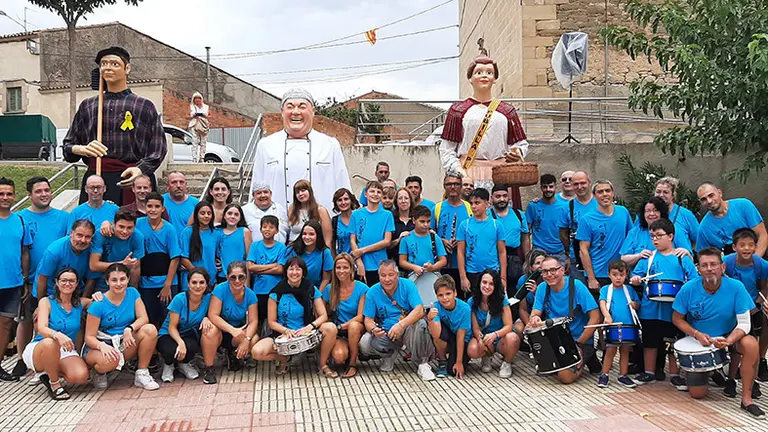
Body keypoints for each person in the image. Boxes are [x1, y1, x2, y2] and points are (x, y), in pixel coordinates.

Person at [63, 46, 166, 206]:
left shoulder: (144, 106)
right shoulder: (89, 106)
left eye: (115, 64)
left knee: (134, 227)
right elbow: (68, 147)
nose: (108, 67)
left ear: (127, 68)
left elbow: (158, 149)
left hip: (134, 178)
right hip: (97, 178)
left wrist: (140, 170)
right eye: (104, 63)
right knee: (94, 227)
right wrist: (83, 149)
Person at [672, 247, 765, 419]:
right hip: (700, 341)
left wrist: (729, 341)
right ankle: (712, 372)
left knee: (751, 344)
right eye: (704, 265)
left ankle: (747, 399)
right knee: (698, 394)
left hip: (728, 334)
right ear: (698, 269)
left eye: (713, 264)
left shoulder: (737, 287)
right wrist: (696, 334)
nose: (709, 269)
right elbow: (677, 319)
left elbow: (745, 323)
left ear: (722, 267)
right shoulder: (688, 288)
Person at [440, 56, 529, 208]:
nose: (484, 76)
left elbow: (520, 143)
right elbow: (446, 148)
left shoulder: (507, 111)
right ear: (470, 78)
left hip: (500, 173)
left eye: (489, 72)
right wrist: (460, 171)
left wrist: (517, 153)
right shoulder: (458, 110)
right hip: (468, 173)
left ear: (495, 78)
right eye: (478, 72)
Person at [250, 88, 351, 210]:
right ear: (282, 112)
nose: (296, 112)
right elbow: (256, 187)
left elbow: (343, 186)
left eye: (302, 107)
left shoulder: (330, 145)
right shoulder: (266, 145)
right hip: (276, 223)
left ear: (313, 111)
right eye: (290, 107)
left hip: (322, 222)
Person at [629, 219, 698, 388]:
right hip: (650, 308)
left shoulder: (681, 258)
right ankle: (649, 372)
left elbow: (695, 280)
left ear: (671, 236)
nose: (655, 240)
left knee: (673, 343)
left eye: (659, 236)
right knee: (650, 341)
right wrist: (636, 280)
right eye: (652, 236)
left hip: (674, 309)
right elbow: (634, 277)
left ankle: (675, 374)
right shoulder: (648, 258)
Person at [14, 176, 70, 377]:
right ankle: (22, 359)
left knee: (47, 322)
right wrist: (23, 280)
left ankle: (46, 359)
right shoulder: (20, 218)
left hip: (59, 282)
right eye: (38, 191)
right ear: (29, 195)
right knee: (26, 319)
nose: (44, 194)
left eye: (47, 190)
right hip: (30, 280)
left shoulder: (63, 217)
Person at [252, 256, 337, 377]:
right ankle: (285, 360)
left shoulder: (311, 289)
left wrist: (310, 327)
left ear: (303, 273)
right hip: (284, 334)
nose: (294, 273)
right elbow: (271, 322)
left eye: (298, 269)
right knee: (257, 352)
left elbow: (323, 315)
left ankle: (323, 364)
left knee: (331, 328)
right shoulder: (276, 293)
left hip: (307, 333)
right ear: (286, 272)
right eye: (291, 269)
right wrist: (286, 331)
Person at [83, 263, 160, 390]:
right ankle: (99, 372)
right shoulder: (98, 304)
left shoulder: (133, 293)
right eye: (114, 280)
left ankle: (142, 373)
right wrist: (102, 347)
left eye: (122, 279)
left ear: (128, 279)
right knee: (109, 360)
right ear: (107, 281)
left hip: (123, 340)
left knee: (150, 330)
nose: (119, 284)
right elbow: (89, 337)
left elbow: (143, 318)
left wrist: (129, 329)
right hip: (100, 344)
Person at [528, 256, 600, 384]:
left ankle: (585, 357)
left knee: (564, 376)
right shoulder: (542, 288)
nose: (549, 275)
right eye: (545, 271)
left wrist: (579, 344)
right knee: (547, 369)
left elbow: (595, 317)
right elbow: (534, 314)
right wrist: (534, 319)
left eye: (553, 270)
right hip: (555, 340)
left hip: (579, 340)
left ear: (562, 270)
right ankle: (587, 360)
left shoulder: (577, 286)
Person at [359, 260, 435, 381]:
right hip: (387, 332)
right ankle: (389, 355)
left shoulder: (408, 285)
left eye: (391, 275)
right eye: (383, 275)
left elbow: (419, 310)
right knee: (365, 342)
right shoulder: (373, 292)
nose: (387, 279)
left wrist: (401, 325)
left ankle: (423, 363)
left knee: (421, 324)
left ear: (397, 275)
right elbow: (368, 320)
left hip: (407, 328)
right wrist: (374, 329)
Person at [22, 268, 90, 399]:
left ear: (76, 284)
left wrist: (98, 296)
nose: (67, 284)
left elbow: (101, 302)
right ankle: (55, 384)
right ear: (57, 282)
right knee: (50, 342)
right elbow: (42, 328)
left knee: (80, 376)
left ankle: (47, 373)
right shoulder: (46, 302)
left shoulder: (81, 303)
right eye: (63, 280)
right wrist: (57, 335)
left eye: (71, 281)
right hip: (41, 347)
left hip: (65, 349)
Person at [724, 228, 768, 382]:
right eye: (742, 245)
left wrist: (756, 305)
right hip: (732, 307)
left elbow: (764, 287)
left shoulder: (761, 265)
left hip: (753, 307)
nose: (746, 249)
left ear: (755, 246)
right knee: (734, 343)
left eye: (750, 245)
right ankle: (731, 376)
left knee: (754, 341)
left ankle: (754, 378)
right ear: (734, 247)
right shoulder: (727, 263)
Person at [203, 261, 258, 382]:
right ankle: (209, 368)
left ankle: (233, 354)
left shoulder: (251, 295)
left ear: (246, 277)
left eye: (241, 277)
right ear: (227, 277)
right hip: (221, 331)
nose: (237, 281)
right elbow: (213, 315)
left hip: (237, 332)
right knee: (210, 330)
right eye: (233, 277)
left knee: (254, 339)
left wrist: (246, 340)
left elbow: (254, 321)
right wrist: (232, 330)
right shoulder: (220, 290)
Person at [0, 177, 32, 382]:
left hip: (12, 283)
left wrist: (25, 279)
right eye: (1, 194)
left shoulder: (20, 220)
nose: (5, 197)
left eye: (9, 194)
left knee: (4, 325)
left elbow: (25, 252)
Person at [576, 180, 632, 293]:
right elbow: (583, 250)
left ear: (612, 193)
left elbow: (631, 239)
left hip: (620, 273)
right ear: (594, 196)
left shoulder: (623, 212)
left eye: (607, 190)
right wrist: (591, 278)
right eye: (600, 192)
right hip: (598, 274)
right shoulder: (587, 219)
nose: (605, 194)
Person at [158, 268, 212, 383]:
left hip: (188, 334)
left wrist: (207, 318)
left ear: (207, 284)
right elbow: (172, 327)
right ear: (188, 284)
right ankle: (168, 365)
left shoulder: (209, 298)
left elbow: (214, 314)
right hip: (169, 334)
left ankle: (184, 364)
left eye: (202, 282)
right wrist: (180, 343)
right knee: (170, 350)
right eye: (194, 282)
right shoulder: (179, 299)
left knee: (193, 346)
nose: (198, 286)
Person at [135, 192, 181, 327]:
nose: (153, 210)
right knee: (148, 319)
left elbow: (175, 258)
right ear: (145, 207)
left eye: (157, 206)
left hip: (166, 282)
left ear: (163, 208)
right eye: (149, 206)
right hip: (146, 282)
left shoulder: (169, 229)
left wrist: (167, 285)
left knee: (167, 319)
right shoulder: (138, 224)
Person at [466, 269, 519, 378]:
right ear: (479, 282)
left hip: (500, 337)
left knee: (513, 337)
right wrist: (480, 339)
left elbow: (509, 325)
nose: (487, 286)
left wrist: (495, 334)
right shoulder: (472, 301)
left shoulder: (502, 300)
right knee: (472, 349)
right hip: (485, 337)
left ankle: (507, 362)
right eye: (484, 282)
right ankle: (486, 356)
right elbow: (475, 328)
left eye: (491, 284)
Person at [323, 254, 368, 378]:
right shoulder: (329, 289)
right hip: (338, 332)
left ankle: (353, 363)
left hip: (356, 328)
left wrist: (340, 327)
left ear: (352, 269)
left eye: (345, 267)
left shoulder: (361, 288)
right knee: (339, 357)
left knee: (354, 325)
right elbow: (324, 315)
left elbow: (360, 317)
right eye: (338, 268)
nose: (341, 271)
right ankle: (340, 351)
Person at [597, 260, 640, 388]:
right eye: (615, 275)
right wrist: (607, 316)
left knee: (626, 350)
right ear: (609, 275)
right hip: (613, 326)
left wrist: (635, 305)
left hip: (628, 326)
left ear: (626, 275)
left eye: (621, 275)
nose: (618, 278)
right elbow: (602, 303)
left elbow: (638, 304)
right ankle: (604, 374)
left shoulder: (630, 290)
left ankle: (623, 375)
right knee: (610, 350)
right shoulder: (606, 289)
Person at [457, 188, 507, 299]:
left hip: (492, 271)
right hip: (472, 272)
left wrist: (503, 278)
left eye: (477, 203)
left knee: (493, 303)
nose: (473, 206)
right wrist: (463, 277)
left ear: (487, 203)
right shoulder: (464, 225)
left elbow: (502, 252)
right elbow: (460, 252)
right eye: (471, 203)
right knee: (473, 304)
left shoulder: (496, 225)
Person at [696, 182, 767, 255]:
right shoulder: (703, 229)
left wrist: (754, 262)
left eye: (711, 195)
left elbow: (762, 235)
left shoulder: (743, 206)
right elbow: (703, 256)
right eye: (704, 199)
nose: (709, 201)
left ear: (719, 193)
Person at [34, 220, 96, 300]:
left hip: (75, 292)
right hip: (50, 293)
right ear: (71, 233)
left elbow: (91, 279)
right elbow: (42, 278)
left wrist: (83, 302)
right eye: (79, 235)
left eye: (87, 237)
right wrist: (41, 304)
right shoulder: (54, 251)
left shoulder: (93, 250)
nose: (83, 240)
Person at [621, 197, 689, 267]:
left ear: (661, 213)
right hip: (639, 276)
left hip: (669, 274)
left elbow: (689, 258)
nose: (651, 214)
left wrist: (686, 253)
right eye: (648, 211)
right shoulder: (634, 232)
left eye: (655, 210)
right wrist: (639, 256)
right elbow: (623, 259)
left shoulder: (674, 230)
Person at [433, 172, 472, 291]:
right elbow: (429, 233)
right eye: (449, 184)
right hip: (443, 263)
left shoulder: (469, 207)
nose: (453, 187)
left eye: (456, 184)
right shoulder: (437, 207)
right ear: (444, 186)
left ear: (461, 186)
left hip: (466, 264)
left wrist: (461, 241)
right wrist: (442, 241)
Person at [246, 215, 287, 331]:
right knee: (258, 319)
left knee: (274, 320)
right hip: (258, 290)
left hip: (275, 290)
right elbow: (250, 267)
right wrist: (272, 265)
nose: (267, 229)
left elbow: (280, 269)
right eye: (264, 227)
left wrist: (258, 267)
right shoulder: (255, 246)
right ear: (260, 229)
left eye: (271, 227)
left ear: (277, 230)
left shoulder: (281, 247)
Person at [89, 209, 145, 292]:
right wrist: (122, 263)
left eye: (129, 228)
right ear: (114, 224)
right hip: (103, 278)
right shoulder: (101, 234)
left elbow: (135, 267)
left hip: (125, 278)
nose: (125, 231)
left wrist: (134, 291)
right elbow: (93, 265)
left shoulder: (138, 237)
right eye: (121, 227)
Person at [350, 181, 395, 286]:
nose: (375, 194)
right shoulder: (356, 214)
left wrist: (362, 250)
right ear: (365, 194)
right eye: (372, 191)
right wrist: (359, 262)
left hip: (380, 264)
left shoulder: (387, 215)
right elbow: (353, 240)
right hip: (361, 264)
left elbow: (387, 241)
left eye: (379, 192)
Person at [427, 275, 471, 378]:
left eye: (448, 294)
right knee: (436, 330)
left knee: (453, 371)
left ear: (455, 293)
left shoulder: (465, 308)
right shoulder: (436, 306)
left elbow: (461, 336)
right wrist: (430, 319)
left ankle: (459, 359)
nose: (445, 298)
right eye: (440, 295)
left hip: (463, 338)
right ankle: (442, 360)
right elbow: (436, 335)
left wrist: (459, 362)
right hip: (449, 335)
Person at [557, 171, 597, 281]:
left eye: (583, 183)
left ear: (589, 183)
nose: (579, 187)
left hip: (600, 256)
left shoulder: (600, 203)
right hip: (577, 258)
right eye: (576, 184)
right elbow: (563, 234)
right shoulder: (567, 207)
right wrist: (569, 252)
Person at [491, 184, 530, 291]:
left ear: (509, 197)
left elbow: (525, 238)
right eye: (498, 196)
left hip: (514, 259)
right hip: (493, 259)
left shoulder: (519, 214)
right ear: (491, 198)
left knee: (514, 291)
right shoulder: (487, 215)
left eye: (504, 196)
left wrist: (527, 260)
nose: (502, 199)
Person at [180, 202, 223, 292]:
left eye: (209, 213)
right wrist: (198, 275)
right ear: (196, 215)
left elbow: (218, 255)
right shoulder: (187, 232)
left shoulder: (216, 233)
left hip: (210, 280)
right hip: (192, 280)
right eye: (202, 213)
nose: (206, 216)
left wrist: (220, 263)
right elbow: (183, 258)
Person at [398, 205, 448, 277]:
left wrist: (432, 267)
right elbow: (402, 261)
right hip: (412, 275)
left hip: (432, 275)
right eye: (422, 221)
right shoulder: (406, 238)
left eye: (428, 221)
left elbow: (443, 260)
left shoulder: (435, 237)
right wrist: (414, 267)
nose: (425, 224)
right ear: (414, 220)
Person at [653, 177, 698, 252]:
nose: (661, 195)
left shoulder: (686, 215)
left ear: (673, 195)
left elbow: (699, 240)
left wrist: (687, 251)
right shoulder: (647, 215)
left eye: (666, 192)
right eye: (658, 192)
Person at [524, 175, 563, 260]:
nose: (548, 189)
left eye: (551, 187)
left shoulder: (564, 207)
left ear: (556, 187)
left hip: (560, 252)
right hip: (539, 251)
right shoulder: (533, 206)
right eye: (545, 187)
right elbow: (526, 232)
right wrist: (527, 256)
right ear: (541, 188)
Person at [286, 221, 333, 290]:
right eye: (304, 234)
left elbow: (326, 279)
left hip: (315, 290)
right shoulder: (292, 249)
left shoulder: (325, 252)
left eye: (311, 234)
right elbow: (285, 273)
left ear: (318, 235)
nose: (307, 237)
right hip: (293, 289)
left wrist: (317, 295)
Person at [286, 180, 332, 247]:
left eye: (303, 190)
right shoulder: (292, 209)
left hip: (313, 250)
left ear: (310, 191)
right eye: (297, 192)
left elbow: (327, 239)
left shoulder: (321, 210)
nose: (300, 194)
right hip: (294, 250)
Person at [217, 203, 252, 284]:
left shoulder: (244, 231)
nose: (232, 216)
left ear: (240, 218)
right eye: (229, 213)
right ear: (224, 216)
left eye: (236, 214)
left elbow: (249, 259)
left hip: (240, 276)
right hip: (222, 275)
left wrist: (247, 282)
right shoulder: (217, 232)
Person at [516, 250, 547, 334]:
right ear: (530, 267)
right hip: (529, 316)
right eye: (537, 263)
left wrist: (537, 293)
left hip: (547, 317)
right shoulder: (523, 280)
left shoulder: (550, 279)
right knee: (518, 328)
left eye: (543, 262)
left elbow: (550, 308)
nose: (541, 266)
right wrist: (529, 325)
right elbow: (522, 309)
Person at [330, 188, 360, 256]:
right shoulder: (335, 220)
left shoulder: (359, 218)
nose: (343, 202)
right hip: (343, 261)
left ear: (351, 200)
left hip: (360, 259)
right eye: (340, 200)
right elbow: (332, 243)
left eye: (346, 199)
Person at [388, 188, 416, 262]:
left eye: (406, 198)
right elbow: (386, 245)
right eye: (400, 198)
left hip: (415, 264)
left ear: (410, 200)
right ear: (396, 201)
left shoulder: (417, 218)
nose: (403, 201)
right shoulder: (390, 219)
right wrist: (398, 240)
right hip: (395, 263)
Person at [188, 92, 210, 163]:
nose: (197, 100)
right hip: (194, 124)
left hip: (203, 125)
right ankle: (194, 157)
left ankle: (202, 157)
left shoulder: (206, 106)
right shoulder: (192, 106)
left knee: (203, 142)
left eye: (199, 98)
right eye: (195, 98)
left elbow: (207, 115)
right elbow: (190, 115)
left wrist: (202, 114)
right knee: (195, 141)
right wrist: (194, 114)